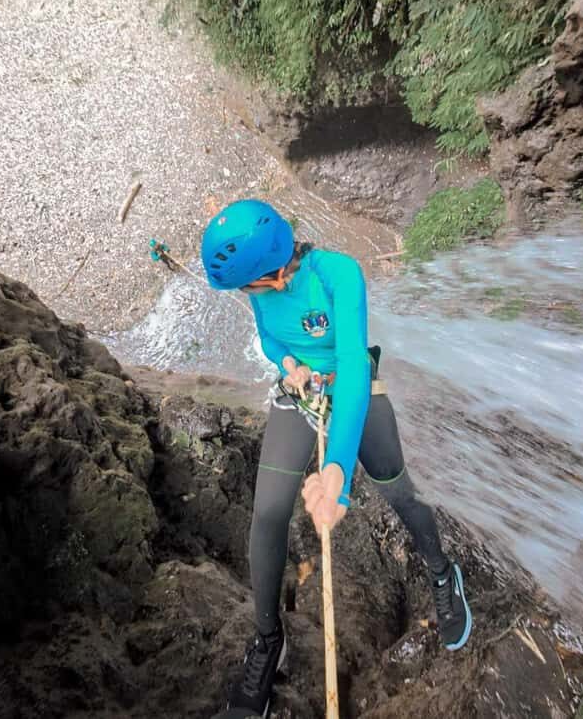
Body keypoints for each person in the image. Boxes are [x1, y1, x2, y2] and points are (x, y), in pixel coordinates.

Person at [201, 199, 472, 717]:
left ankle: (442, 572)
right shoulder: (262, 288)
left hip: (354, 394)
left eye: (248, 286)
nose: (245, 295)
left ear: (277, 273)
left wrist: (337, 474)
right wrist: (287, 363)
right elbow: (266, 333)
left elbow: (351, 367)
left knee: (398, 488)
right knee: (268, 515)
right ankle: (267, 638)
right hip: (301, 398)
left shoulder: (339, 275)